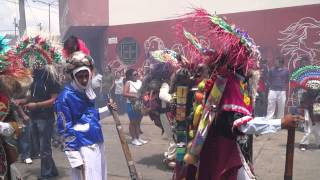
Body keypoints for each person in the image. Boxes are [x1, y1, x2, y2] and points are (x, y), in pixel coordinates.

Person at [55, 51, 116, 180]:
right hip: (83, 147)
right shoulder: (64, 97)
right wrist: (75, 158)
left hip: (97, 142)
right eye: (80, 76)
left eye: (86, 76)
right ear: (73, 76)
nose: (83, 80)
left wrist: (108, 109)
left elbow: (90, 116)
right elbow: (65, 129)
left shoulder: (86, 91)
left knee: (100, 176)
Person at [123, 69, 147, 146]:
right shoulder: (128, 83)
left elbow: (143, 91)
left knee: (138, 122)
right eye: (135, 74)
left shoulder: (140, 82)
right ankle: (134, 139)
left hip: (140, 104)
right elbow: (124, 93)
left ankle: (138, 137)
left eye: (137, 74)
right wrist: (135, 95)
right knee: (133, 122)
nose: (137, 75)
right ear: (130, 76)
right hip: (131, 104)